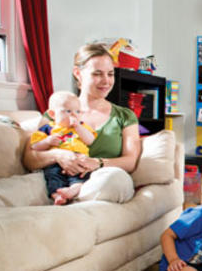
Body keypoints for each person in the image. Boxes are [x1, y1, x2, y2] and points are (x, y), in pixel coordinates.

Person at [23, 43, 141, 203]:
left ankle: (72, 196)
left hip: (104, 179)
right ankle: (64, 198)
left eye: (110, 74)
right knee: (18, 186)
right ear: (78, 73)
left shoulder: (125, 115)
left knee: (114, 180)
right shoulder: (56, 113)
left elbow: (130, 161)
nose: (106, 81)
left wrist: (97, 163)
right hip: (58, 179)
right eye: (97, 74)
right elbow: (29, 159)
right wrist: (58, 155)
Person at [30, 91, 97, 205]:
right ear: (52, 114)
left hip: (78, 157)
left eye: (77, 111)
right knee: (52, 175)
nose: (74, 115)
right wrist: (47, 141)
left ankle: (74, 188)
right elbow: (35, 146)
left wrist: (78, 127)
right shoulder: (48, 128)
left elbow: (90, 140)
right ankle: (57, 195)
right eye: (68, 111)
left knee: (82, 174)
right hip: (55, 161)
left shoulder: (81, 126)